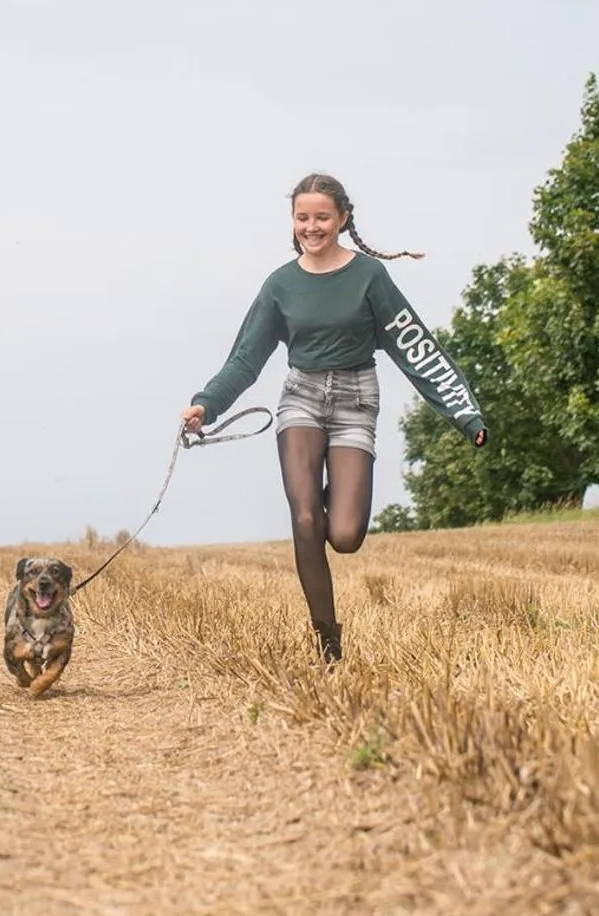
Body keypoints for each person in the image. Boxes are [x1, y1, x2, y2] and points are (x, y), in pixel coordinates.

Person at [181, 174, 486, 663]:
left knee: (344, 536)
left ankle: (328, 509)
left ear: (343, 218)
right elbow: (245, 359)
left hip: (355, 401)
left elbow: (417, 351)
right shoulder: (280, 285)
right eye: (303, 217)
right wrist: (207, 404)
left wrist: (466, 415)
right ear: (293, 221)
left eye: (322, 217)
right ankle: (327, 643)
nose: (312, 226)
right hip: (300, 397)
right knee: (305, 519)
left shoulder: (369, 278)